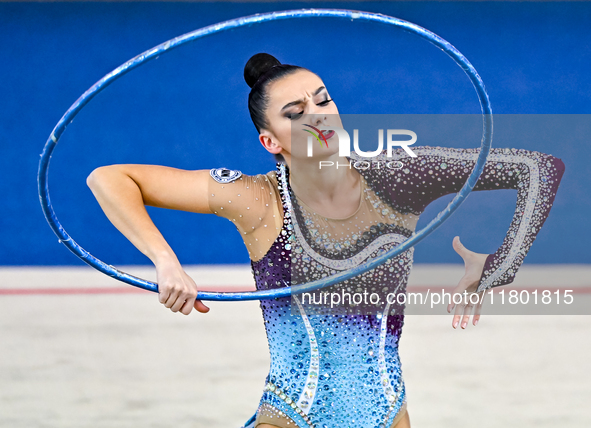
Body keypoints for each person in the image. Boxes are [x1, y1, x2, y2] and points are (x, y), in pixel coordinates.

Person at [86, 53, 565, 428]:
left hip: (388, 412)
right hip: (293, 415)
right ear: (270, 142)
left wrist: (504, 263)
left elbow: (538, 168)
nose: (319, 117)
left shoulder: (401, 177)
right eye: (296, 113)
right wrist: (165, 261)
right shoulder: (258, 200)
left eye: (323, 100)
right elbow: (109, 178)